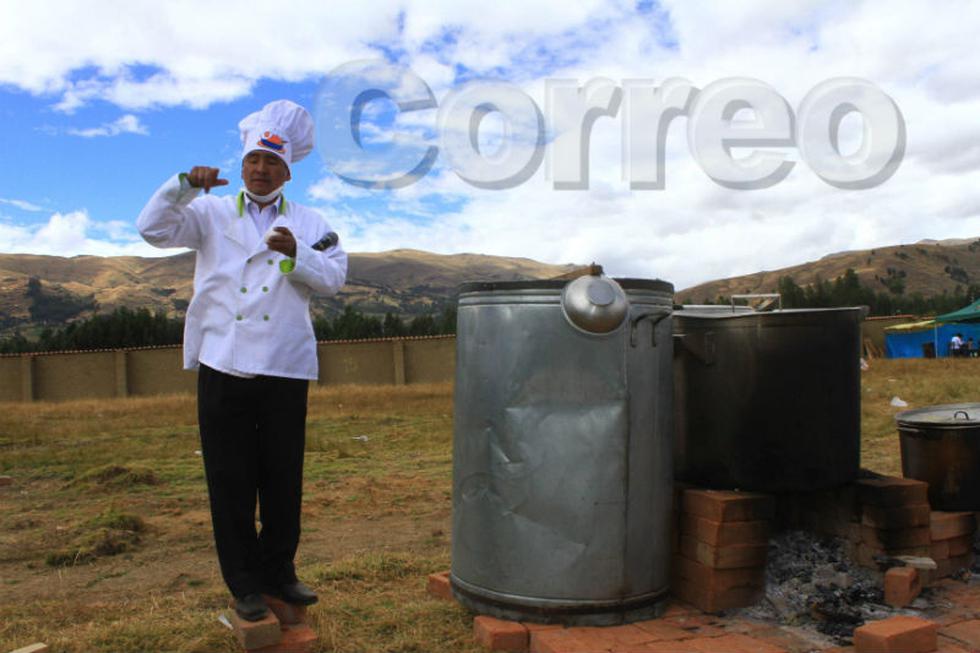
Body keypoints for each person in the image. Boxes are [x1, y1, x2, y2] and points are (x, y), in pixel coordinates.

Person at [137, 100, 347, 621]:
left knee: (281, 477)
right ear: (244, 163)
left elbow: (335, 279)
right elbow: (152, 230)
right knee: (229, 480)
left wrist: (296, 254)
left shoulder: (310, 221)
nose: (260, 169)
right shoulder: (207, 213)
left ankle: (280, 572)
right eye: (254, 160)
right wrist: (183, 184)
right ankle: (244, 583)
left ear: (287, 170)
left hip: (283, 365)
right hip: (223, 363)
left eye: (272, 163)